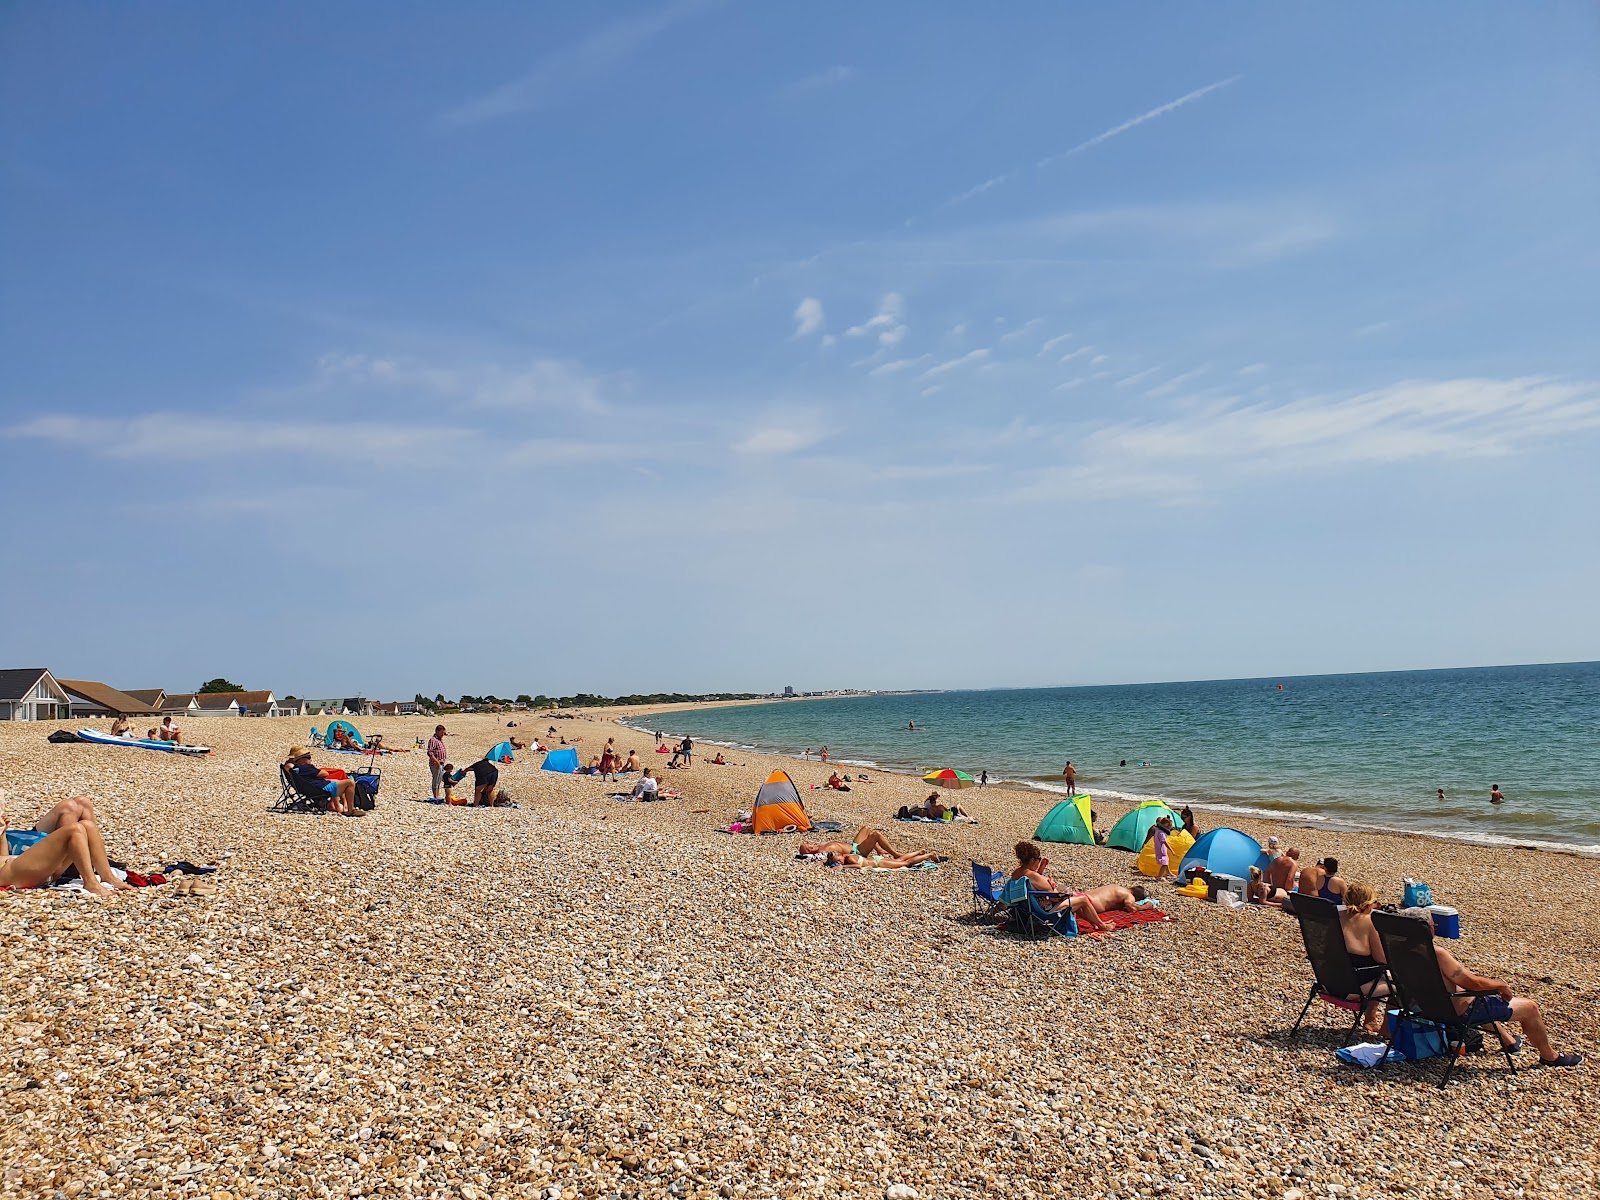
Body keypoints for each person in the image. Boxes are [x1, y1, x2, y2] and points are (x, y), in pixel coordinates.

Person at [1, 802, 132, 897]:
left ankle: (108, 877)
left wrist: (2, 833)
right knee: (74, 830)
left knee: (87, 825)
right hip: (13, 873)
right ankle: (91, 883)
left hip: (18, 866)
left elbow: (3, 855)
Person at [1009, 842, 1110, 931]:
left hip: (1028, 908)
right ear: (1032, 860)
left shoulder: (1017, 873)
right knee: (1082, 899)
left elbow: (1035, 887)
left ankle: (1094, 923)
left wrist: (1041, 870)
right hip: (1045, 911)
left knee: (1075, 897)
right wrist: (1062, 891)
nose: (1039, 861)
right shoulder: (1033, 876)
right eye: (1038, 859)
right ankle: (1102, 925)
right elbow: (1054, 898)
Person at [1337, 881, 1392, 1032]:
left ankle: (1370, 1019)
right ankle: (1386, 1030)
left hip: (1329, 982)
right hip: (1353, 988)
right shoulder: (1370, 923)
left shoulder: (1334, 917)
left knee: (1377, 974)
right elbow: (1382, 960)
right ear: (1368, 905)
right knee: (1401, 986)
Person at [799, 827, 942, 866]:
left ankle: (879, 849)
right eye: (808, 845)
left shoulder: (821, 846)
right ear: (809, 850)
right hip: (857, 852)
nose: (810, 843)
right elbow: (825, 859)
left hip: (854, 846)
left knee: (866, 828)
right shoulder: (822, 851)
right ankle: (896, 854)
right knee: (876, 835)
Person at [286, 747, 358, 816]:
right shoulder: (306, 768)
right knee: (350, 782)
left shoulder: (295, 769)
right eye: (308, 757)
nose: (310, 760)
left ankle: (338, 806)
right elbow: (325, 773)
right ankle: (350, 810)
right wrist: (312, 767)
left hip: (310, 787)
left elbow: (289, 765)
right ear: (301, 759)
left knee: (337, 781)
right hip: (320, 789)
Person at [1079, 883, 1148, 913]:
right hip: (1092, 903)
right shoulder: (1129, 895)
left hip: (1081, 895)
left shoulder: (1116, 886)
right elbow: (1131, 909)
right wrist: (1145, 907)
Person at [426, 725, 449, 802]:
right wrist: (436, 762)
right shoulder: (433, 740)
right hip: (436, 764)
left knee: (439, 780)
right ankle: (435, 796)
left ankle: (437, 795)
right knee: (436, 780)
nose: (443, 734)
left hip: (441, 763)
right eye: (441, 733)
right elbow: (430, 752)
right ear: (437, 732)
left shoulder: (439, 739)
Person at [1151, 815, 1176, 882]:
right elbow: (1164, 842)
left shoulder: (1157, 830)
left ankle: (1169, 873)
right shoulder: (1161, 832)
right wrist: (1172, 850)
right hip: (1161, 849)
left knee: (1166, 860)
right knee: (1164, 863)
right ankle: (1159, 876)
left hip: (1159, 848)